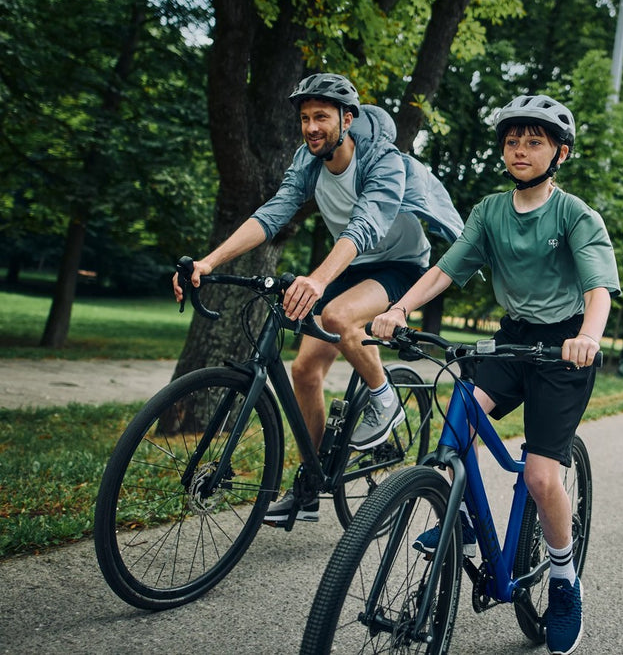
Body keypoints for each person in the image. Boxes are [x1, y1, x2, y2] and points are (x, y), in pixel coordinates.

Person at [371, 94, 620, 655]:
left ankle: (562, 579)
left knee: (538, 477)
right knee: (460, 406)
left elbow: (597, 290)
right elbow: (445, 268)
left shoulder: (576, 215)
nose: (520, 149)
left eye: (534, 141)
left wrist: (588, 338)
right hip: (511, 340)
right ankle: (455, 509)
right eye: (513, 140)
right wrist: (398, 310)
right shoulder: (489, 210)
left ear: (560, 153)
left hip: (562, 351)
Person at [173, 72, 463, 524]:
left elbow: (366, 223)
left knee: (338, 316)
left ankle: (384, 399)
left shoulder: (382, 159)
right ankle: (309, 488)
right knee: (304, 370)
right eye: (305, 118)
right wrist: (210, 262)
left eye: (322, 117)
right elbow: (274, 212)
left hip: (400, 267)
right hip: (350, 265)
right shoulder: (308, 161)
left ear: (348, 119)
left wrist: (318, 279)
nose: (311, 127)